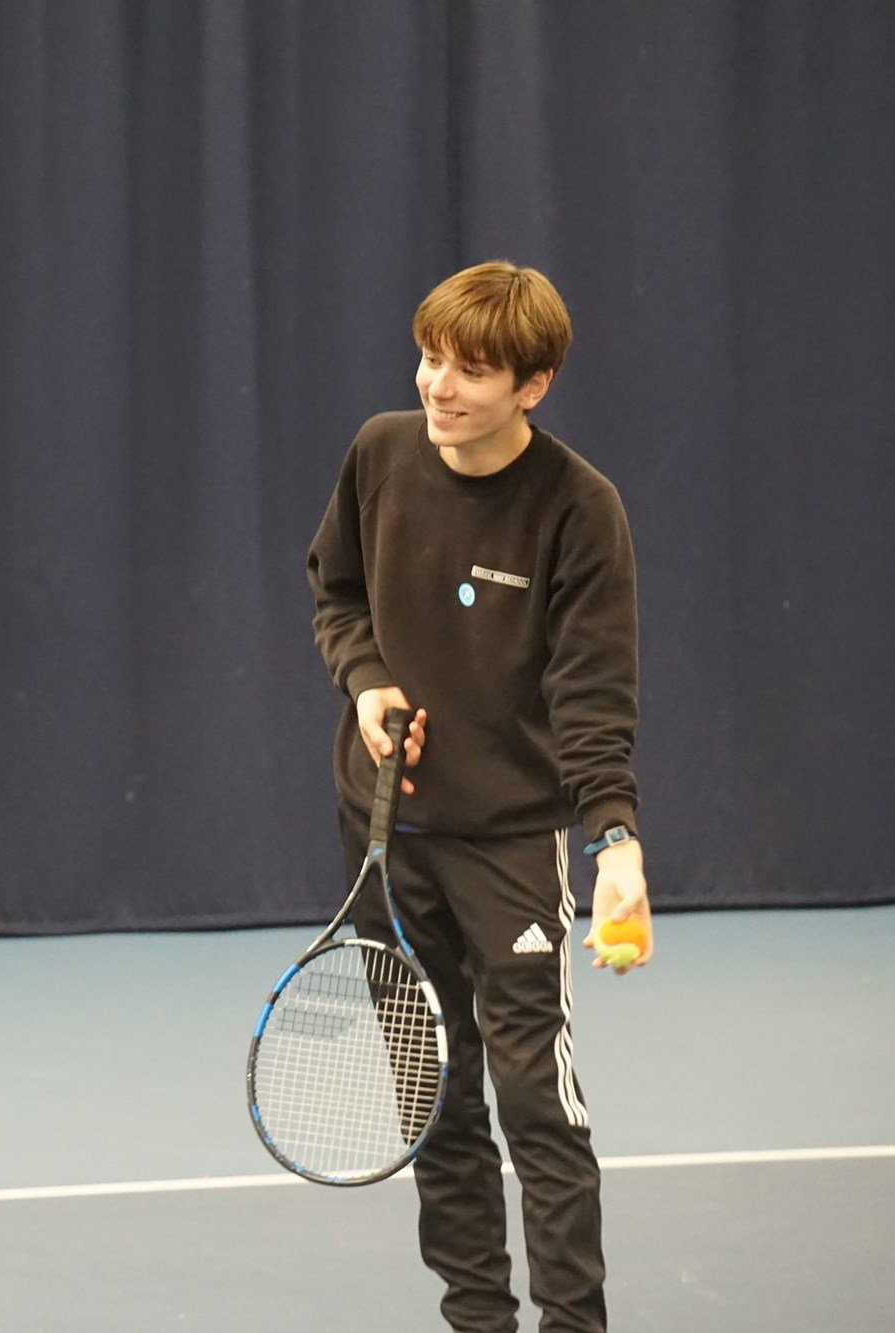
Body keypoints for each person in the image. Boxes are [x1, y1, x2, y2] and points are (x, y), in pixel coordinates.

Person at [305, 260, 650, 1332]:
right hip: (381, 838)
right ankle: (475, 1320)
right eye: (428, 359)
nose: (436, 388)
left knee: (535, 1105)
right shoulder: (378, 453)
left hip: (507, 845)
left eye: (469, 371)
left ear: (531, 385)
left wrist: (616, 843)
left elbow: (590, 692)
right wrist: (366, 685)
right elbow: (335, 591)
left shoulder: (578, 509)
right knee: (437, 1102)